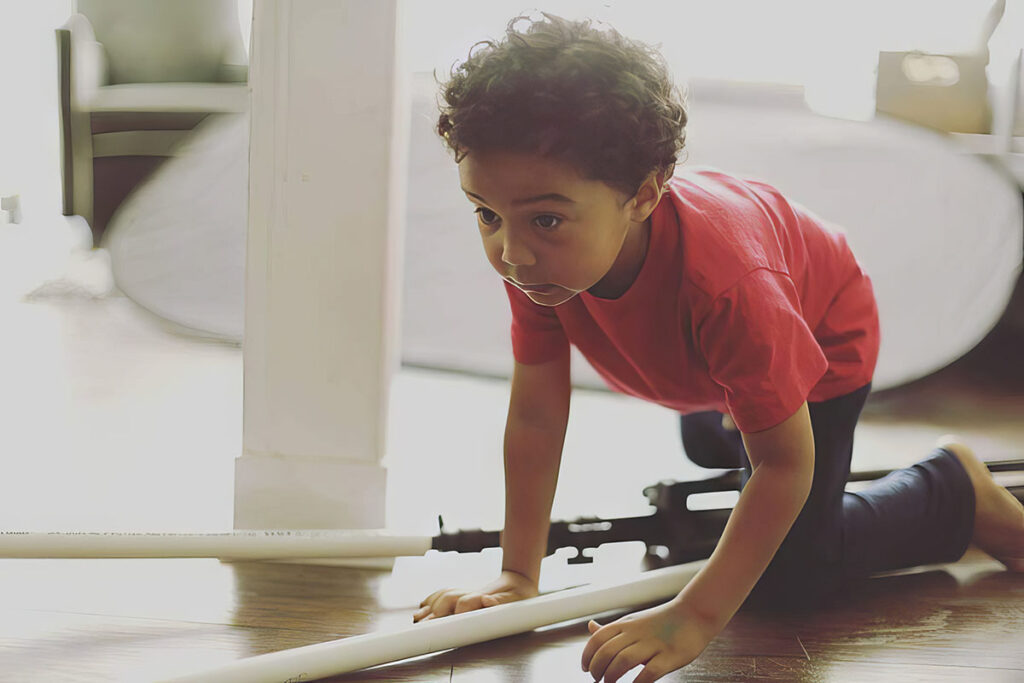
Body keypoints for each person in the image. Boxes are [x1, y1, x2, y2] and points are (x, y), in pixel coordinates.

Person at [412, 13, 1024, 683]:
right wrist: (516, 575)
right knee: (713, 445)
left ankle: (955, 491)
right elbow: (535, 416)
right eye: (486, 213)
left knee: (792, 573)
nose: (511, 252)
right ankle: (732, 419)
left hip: (822, 328)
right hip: (707, 365)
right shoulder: (539, 262)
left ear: (642, 195)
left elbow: (785, 465)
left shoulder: (726, 286)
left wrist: (695, 613)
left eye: (546, 218)